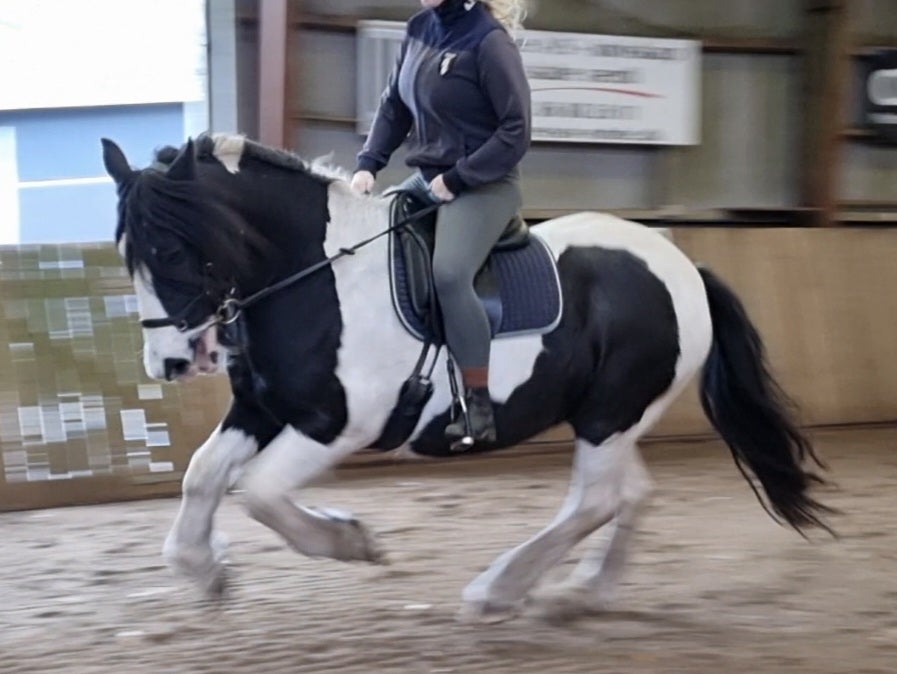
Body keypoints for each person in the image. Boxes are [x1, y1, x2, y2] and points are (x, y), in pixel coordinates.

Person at [351, 0, 531, 444]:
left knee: (449, 274)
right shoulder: (418, 28)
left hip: (483, 183)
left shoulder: (489, 41)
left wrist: (459, 177)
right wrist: (368, 165)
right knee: (372, 241)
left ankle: (477, 407)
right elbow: (394, 105)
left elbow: (516, 130)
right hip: (427, 178)